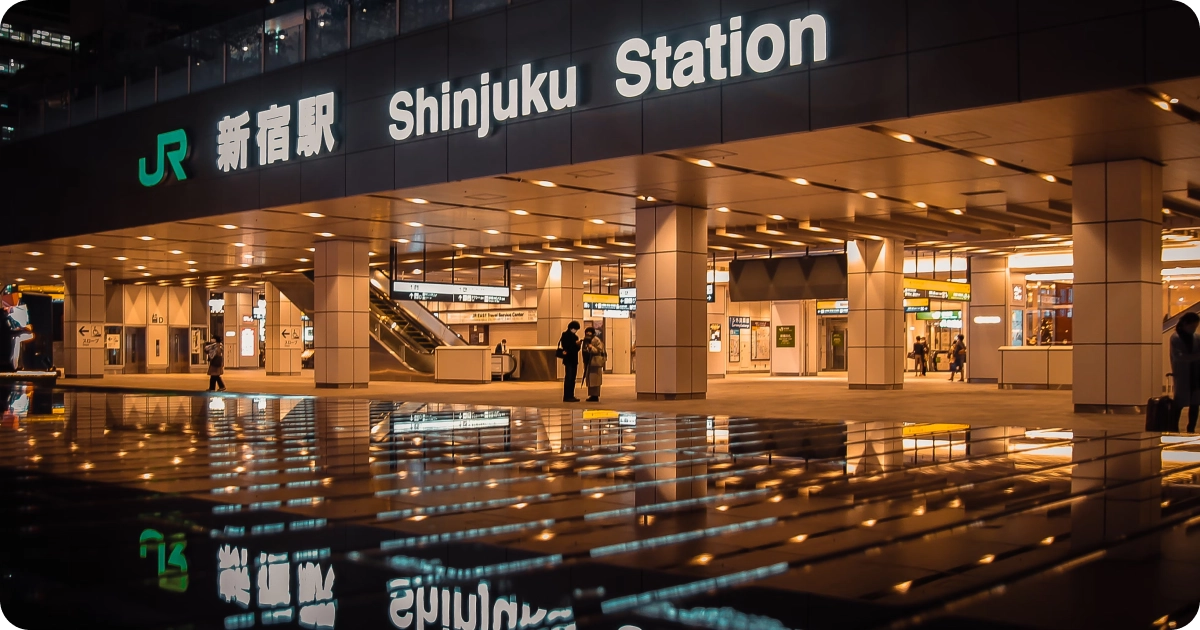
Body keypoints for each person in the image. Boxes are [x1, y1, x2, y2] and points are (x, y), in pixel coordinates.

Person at [1170, 312, 1200, 431]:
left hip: (1196, 374)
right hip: (1183, 374)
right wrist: (1197, 356)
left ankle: (1191, 428)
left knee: (1195, 403)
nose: (1194, 329)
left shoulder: (1196, 337)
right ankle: (1173, 428)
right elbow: (1179, 357)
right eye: (1192, 326)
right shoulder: (1176, 337)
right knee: (1179, 403)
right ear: (1185, 324)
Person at [557, 321, 581, 402]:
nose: (575, 330)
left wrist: (578, 345)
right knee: (569, 377)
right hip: (568, 359)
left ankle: (571, 395)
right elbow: (566, 347)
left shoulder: (576, 337)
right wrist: (575, 344)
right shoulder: (565, 335)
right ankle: (567, 396)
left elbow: (576, 349)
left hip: (574, 359)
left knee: (573, 378)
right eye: (575, 329)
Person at [581, 327, 607, 402]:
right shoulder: (586, 340)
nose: (588, 334)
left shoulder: (596, 340)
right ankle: (591, 395)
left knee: (595, 380)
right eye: (587, 332)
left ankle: (595, 395)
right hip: (589, 362)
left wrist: (591, 347)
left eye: (590, 332)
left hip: (596, 363)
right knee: (590, 380)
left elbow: (599, 350)